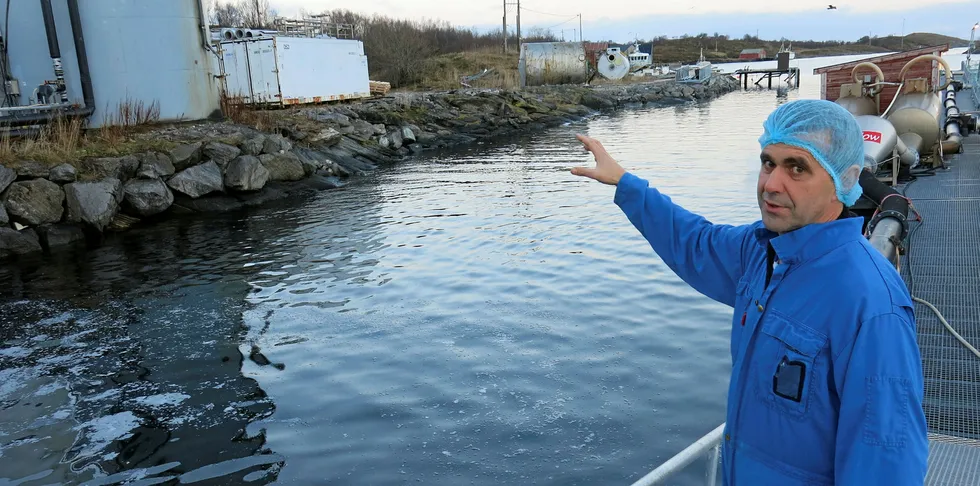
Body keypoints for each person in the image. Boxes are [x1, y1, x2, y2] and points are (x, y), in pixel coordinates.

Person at [571, 99, 928, 485]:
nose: (771, 184)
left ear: (842, 180)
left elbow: (886, 460)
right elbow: (694, 242)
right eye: (768, 163)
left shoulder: (871, 304)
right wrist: (626, 185)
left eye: (797, 168)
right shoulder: (763, 252)